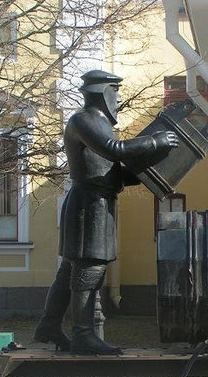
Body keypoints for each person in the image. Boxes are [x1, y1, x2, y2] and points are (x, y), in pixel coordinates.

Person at [33, 70, 179, 354]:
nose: (119, 98)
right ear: (103, 93)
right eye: (116, 92)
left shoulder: (96, 123)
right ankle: (83, 334)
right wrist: (155, 142)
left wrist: (155, 166)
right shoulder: (84, 120)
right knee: (89, 270)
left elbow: (114, 173)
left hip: (95, 201)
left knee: (69, 273)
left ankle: (49, 326)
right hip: (90, 205)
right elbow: (115, 150)